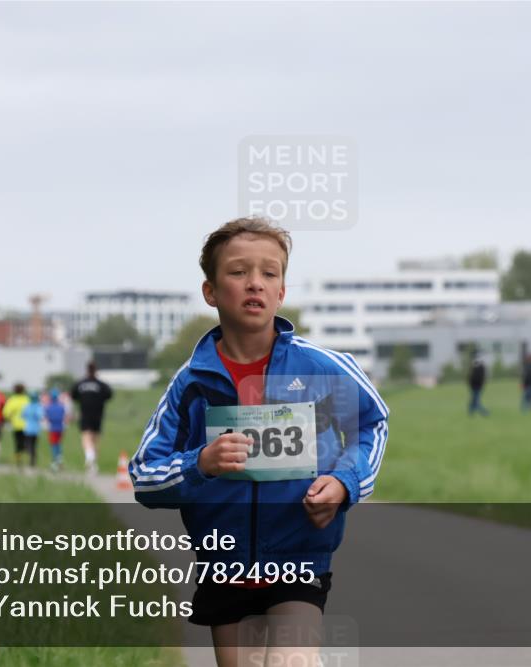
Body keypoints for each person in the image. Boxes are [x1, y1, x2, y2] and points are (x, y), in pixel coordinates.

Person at [130, 217, 389, 666]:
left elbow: (373, 424)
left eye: (270, 273)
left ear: (282, 291)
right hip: (224, 566)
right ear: (210, 291)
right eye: (238, 272)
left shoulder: (322, 368)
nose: (256, 283)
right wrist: (200, 464)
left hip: (299, 559)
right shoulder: (191, 384)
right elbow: (144, 478)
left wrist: (346, 482)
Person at [72, 362, 114, 474]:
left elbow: (73, 395)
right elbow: (109, 395)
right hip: (98, 414)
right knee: (95, 439)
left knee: (86, 436)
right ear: (96, 370)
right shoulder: (101, 385)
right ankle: (93, 465)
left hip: (85, 413)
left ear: (87, 370)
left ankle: (89, 457)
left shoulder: (80, 384)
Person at [2, 383, 30, 468]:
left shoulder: (12, 400)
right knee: (25, 442)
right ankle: (27, 457)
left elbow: (5, 413)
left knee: (18, 443)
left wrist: (9, 418)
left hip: (16, 425)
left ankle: (19, 459)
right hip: (27, 425)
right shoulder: (27, 399)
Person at [45, 388, 68, 471]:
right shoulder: (61, 407)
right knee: (58, 445)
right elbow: (64, 417)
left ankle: (54, 462)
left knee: (54, 445)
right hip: (60, 428)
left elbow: (47, 418)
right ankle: (59, 460)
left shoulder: (48, 407)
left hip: (52, 428)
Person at [20, 390, 44, 469]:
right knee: (34, 445)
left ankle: (31, 457)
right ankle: (32, 460)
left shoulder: (27, 406)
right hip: (36, 429)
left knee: (28, 444)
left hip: (28, 429)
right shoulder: (39, 407)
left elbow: (23, 415)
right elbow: (41, 416)